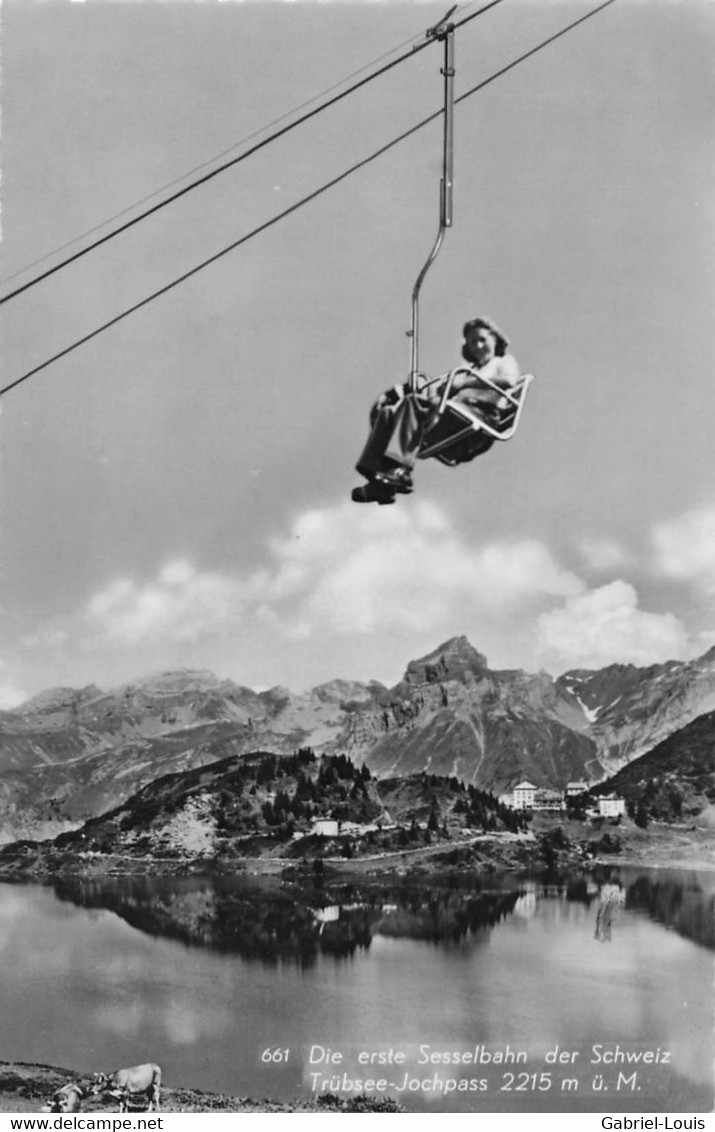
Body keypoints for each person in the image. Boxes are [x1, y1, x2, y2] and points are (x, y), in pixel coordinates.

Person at [351, 316, 521, 504]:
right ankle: (375, 474)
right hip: (454, 416)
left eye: (483, 340)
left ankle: (400, 471)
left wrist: (464, 382)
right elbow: (443, 392)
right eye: (473, 342)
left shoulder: (502, 362)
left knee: (413, 402)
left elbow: (509, 380)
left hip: (478, 417)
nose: (478, 346)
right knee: (389, 412)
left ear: (495, 340)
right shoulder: (467, 369)